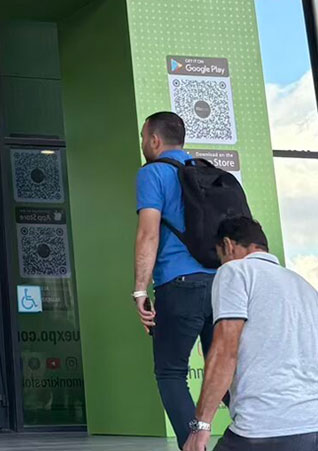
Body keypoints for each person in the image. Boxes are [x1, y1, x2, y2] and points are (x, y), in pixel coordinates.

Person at [183, 217, 318, 451]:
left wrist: (200, 426)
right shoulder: (305, 287)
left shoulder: (235, 271)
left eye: (220, 256)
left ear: (228, 245)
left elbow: (225, 351)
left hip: (264, 429)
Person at [133, 111, 217, 449]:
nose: (143, 143)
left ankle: (193, 446)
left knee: (171, 372)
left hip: (179, 284)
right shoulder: (207, 172)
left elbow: (148, 234)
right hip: (221, 284)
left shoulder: (153, 173)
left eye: (143, 137)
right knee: (222, 370)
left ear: (154, 140)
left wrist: (140, 289)